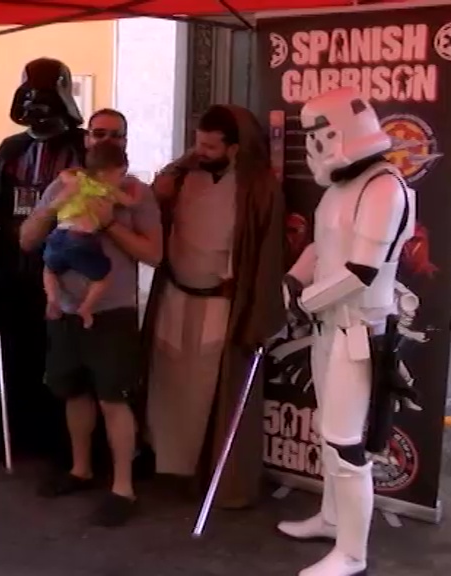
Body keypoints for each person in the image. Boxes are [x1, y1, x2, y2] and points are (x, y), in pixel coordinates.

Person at [278, 87, 417, 576]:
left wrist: (305, 297)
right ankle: (333, 519)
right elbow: (322, 246)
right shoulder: (342, 186)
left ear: (339, 132)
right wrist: (294, 279)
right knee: (328, 431)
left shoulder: (385, 188)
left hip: (360, 331)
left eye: (318, 135)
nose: (312, 146)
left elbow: (362, 270)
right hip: (328, 326)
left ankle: (353, 553)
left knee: (345, 442)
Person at [20, 114, 161, 527]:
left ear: (126, 143)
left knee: (113, 400)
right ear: (88, 139)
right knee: (74, 392)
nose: (108, 140)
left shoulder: (137, 193)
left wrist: (110, 222)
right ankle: (80, 469)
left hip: (112, 312)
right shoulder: (62, 183)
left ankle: (123, 488)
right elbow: (27, 238)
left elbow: (154, 255)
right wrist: (57, 205)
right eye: (101, 134)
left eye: (116, 135)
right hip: (62, 311)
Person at [142, 104, 285, 510]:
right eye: (197, 142)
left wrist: (254, 311)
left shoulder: (258, 189)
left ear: (235, 148)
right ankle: (166, 463)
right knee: (168, 382)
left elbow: (267, 256)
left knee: (209, 389)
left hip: (220, 304)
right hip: (175, 295)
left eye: (209, 145)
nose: (200, 150)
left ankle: (206, 473)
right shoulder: (183, 175)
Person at [0, 58, 88, 466]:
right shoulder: (11, 151)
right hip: (13, 273)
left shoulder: (80, 148)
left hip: (66, 271)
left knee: (62, 361)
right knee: (14, 356)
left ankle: (61, 447)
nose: (39, 113)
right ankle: (2, 434)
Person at [42, 143, 141, 327]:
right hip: (81, 238)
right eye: (121, 174)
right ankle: (87, 307)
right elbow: (131, 203)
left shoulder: (77, 180)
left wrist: (72, 173)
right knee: (103, 277)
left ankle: (52, 299)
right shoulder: (107, 188)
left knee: (49, 269)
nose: (122, 179)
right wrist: (134, 186)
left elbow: (63, 175)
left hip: (58, 235)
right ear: (105, 174)